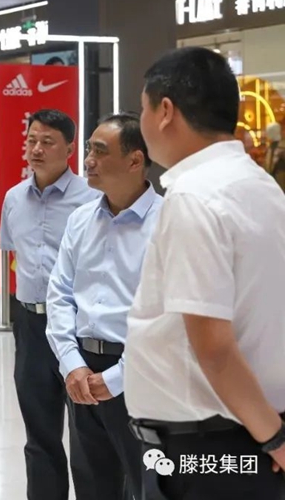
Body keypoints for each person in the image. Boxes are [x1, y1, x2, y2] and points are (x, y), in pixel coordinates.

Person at [125, 46, 285, 499]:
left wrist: (275, 439)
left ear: (165, 112)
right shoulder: (262, 186)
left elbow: (213, 347)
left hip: (210, 448)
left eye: (143, 108)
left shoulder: (195, 196)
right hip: (242, 435)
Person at [46, 113, 162, 500]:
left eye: (100, 151)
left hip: (141, 376)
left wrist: (115, 379)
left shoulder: (168, 223)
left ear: (135, 160)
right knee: (92, 484)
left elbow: (169, 319)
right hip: (82, 374)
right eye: (88, 149)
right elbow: (60, 292)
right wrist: (71, 363)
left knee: (149, 485)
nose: (88, 161)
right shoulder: (81, 219)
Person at [0, 108, 100, 500]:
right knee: (39, 432)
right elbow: (15, 255)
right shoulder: (13, 199)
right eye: (31, 141)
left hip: (79, 325)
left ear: (70, 149)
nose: (36, 149)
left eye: (47, 142)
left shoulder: (92, 200)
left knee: (88, 434)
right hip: (29, 324)